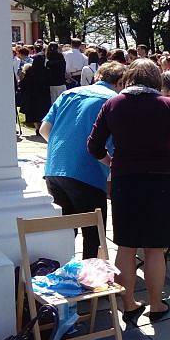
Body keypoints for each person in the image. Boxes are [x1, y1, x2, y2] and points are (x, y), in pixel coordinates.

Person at [87, 60, 170, 322]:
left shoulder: (113, 104)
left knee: (126, 246)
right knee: (155, 248)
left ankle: (128, 304)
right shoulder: (167, 104)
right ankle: (156, 304)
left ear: (129, 77)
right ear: (155, 79)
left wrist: (112, 162)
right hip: (160, 183)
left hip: (125, 182)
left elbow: (93, 146)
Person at [41, 61, 126, 260]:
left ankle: (62, 271)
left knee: (65, 230)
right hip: (88, 173)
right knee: (94, 234)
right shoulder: (114, 101)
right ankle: (89, 281)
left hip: (55, 169)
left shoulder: (68, 94)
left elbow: (44, 130)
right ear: (121, 82)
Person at [19, 53, 51, 134]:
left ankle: (37, 127)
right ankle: (42, 127)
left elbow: (24, 83)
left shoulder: (30, 70)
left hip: (33, 95)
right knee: (43, 112)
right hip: (44, 95)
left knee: (34, 113)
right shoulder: (46, 70)